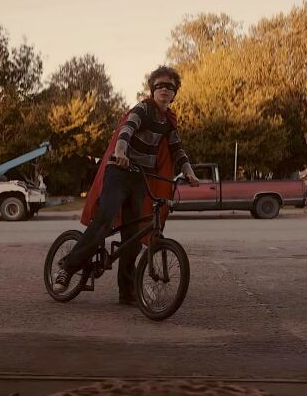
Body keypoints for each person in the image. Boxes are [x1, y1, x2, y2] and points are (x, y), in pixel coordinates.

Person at [52, 65, 200, 304]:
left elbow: (177, 149)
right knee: (106, 218)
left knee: (134, 234)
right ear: (152, 90)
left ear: (174, 94)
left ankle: (127, 291)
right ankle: (68, 269)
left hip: (141, 178)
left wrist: (189, 172)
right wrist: (120, 151)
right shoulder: (143, 109)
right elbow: (126, 130)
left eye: (170, 87)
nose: (164, 89)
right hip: (119, 172)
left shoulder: (168, 122)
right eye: (159, 85)